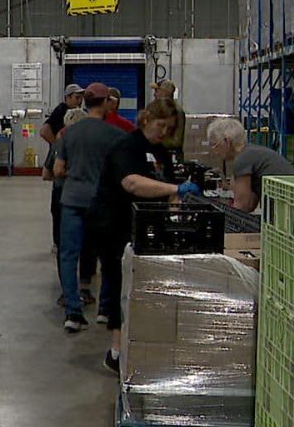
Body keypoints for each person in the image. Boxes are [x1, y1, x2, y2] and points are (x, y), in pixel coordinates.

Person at [89, 99, 202, 372]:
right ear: (146, 119)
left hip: (146, 226)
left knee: (142, 286)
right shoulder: (127, 146)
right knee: (120, 283)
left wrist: (175, 206)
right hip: (115, 225)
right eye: (161, 125)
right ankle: (116, 351)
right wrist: (174, 188)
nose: (163, 132)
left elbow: (168, 189)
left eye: (169, 128)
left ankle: (140, 344)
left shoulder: (160, 152)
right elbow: (132, 183)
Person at [52, 83, 126, 333]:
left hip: (72, 200)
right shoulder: (115, 135)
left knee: (68, 255)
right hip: (103, 203)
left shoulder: (68, 134)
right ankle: (105, 310)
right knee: (108, 257)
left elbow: (57, 170)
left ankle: (73, 312)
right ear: (106, 103)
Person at [44, 108, 96, 309]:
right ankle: (85, 286)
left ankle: (68, 291)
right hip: (89, 197)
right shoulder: (93, 147)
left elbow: (47, 173)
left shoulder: (60, 144)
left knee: (64, 246)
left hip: (62, 196)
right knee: (88, 243)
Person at [208, 117, 294, 213]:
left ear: (227, 141)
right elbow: (251, 202)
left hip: (287, 212)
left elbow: (243, 206)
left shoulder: (243, 159)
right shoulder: (250, 152)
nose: (215, 152)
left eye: (215, 145)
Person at [42, 83, 85, 252]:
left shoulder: (79, 114)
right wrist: (58, 147)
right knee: (59, 209)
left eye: (81, 97)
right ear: (67, 98)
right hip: (64, 170)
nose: (79, 100)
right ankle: (59, 242)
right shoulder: (61, 111)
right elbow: (44, 130)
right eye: (76, 97)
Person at [153, 79, 186, 153]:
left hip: (170, 156)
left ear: (165, 92)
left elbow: (177, 141)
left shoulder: (177, 112)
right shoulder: (155, 110)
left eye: (157, 91)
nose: (154, 94)